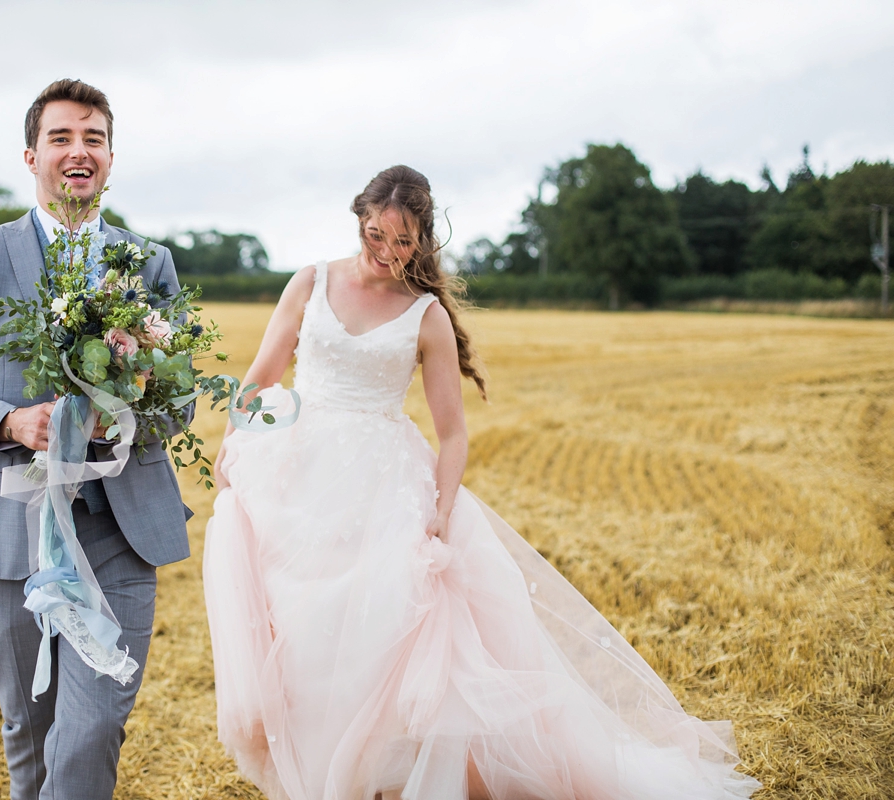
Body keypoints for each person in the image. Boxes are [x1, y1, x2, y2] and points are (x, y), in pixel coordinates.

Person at [204, 165, 760, 800]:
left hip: (383, 490)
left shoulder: (426, 316)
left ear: (423, 242)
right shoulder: (310, 282)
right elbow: (260, 378)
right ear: (360, 219)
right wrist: (231, 440)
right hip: (299, 482)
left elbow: (453, 434)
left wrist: (440, 512)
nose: (387, 253)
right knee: (302, 636)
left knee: (379, 642)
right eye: (376, 235)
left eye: (404, 242)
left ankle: (376, 779)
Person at [0, 79, 191, 800]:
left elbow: (181, 399)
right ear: (32, 155)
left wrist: (126, 413)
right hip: (11, 528)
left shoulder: (150, 263)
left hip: (122, 528)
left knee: (93, 727)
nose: (80, 151)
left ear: (110, 158)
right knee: (30, 726)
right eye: (62, 138)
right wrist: (11, 423)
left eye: (94, 138)